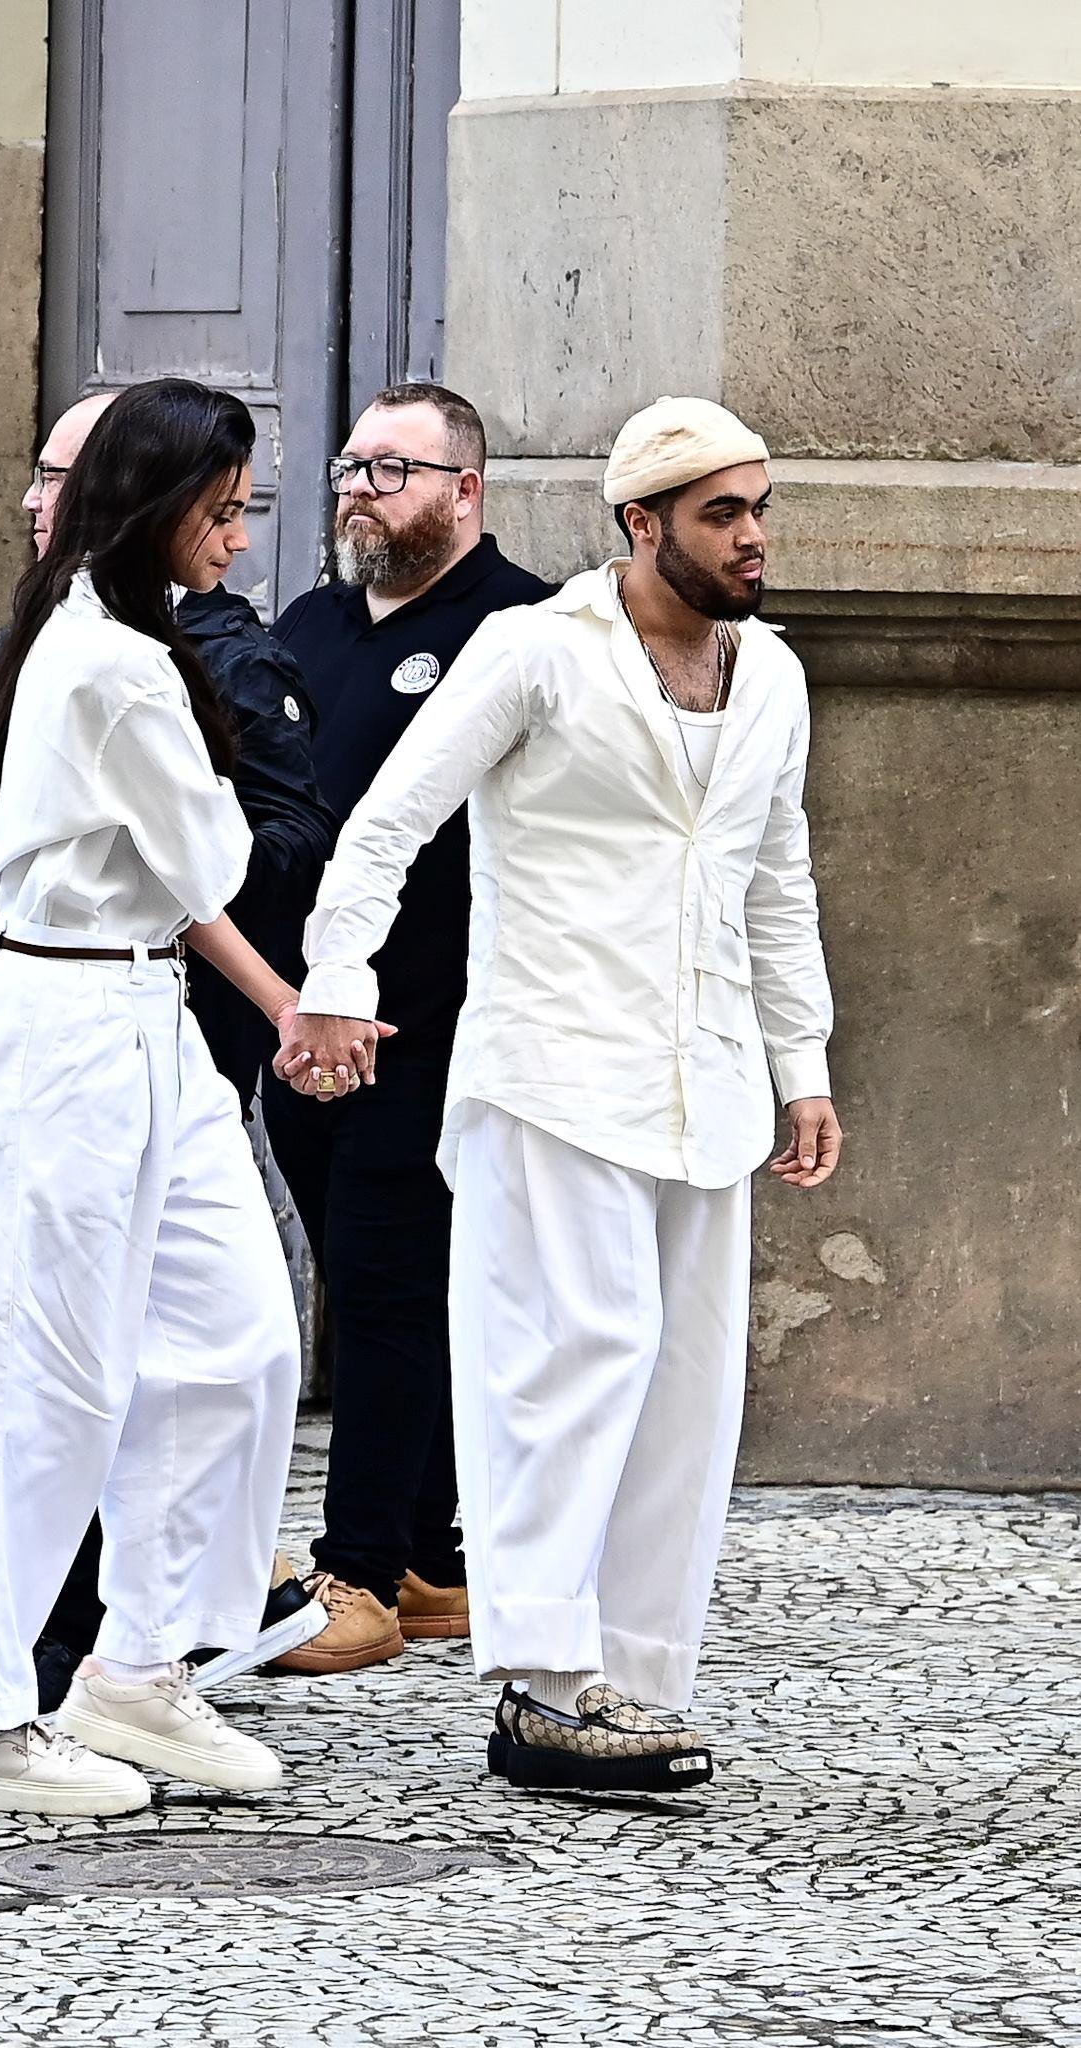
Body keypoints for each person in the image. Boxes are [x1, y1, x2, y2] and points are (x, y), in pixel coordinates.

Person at [276, 396, 843, 1792]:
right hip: (550, 1075)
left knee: (682, 1394)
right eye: (721, 513)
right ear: (639, 523)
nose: (752, 535)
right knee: (563, 1373)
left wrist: (802, 1064)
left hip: (703, 1087)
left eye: (759, 507)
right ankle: (536, 1687)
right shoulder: (531, 651)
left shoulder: (770, 675)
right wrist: (339, 979)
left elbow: (776, 878)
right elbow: (385, 828)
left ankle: (635, 1681)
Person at [0, 379, 353, 1818]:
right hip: (58, 1029)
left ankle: (138, 1667)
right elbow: (217, 857)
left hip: (143, 1012)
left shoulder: (124, 640)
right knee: (43, 1385)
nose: (239, 539)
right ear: (159, 507)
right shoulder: (108, 659)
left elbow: (187, 868)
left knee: (234, 1345)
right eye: (222, 512)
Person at [261, 382, 554, 1673]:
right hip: (301, 1023)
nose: (360, 489)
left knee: (385, 1293)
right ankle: (435, 1559)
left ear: (465, 491)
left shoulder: (524, 625)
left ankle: (362, 1577)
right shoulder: (307, 624)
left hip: (428, 1028)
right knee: (370, 1287)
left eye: (394, 468)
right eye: (351, 465)